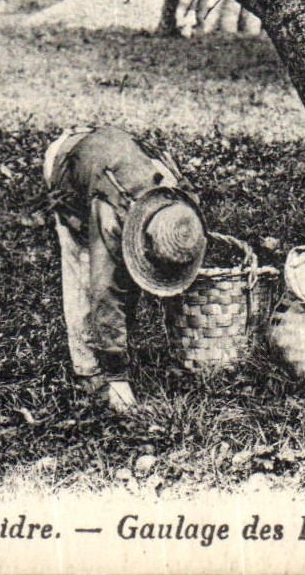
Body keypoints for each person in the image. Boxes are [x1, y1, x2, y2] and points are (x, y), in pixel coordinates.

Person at [42, 125, 208, 413]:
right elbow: (105, 289)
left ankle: (112, 346)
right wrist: (117, 377)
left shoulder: (178, 200)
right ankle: (88, 369)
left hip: (113, 155)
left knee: (125, 275)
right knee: (83, 270)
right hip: (70, 163)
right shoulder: (110, 214)